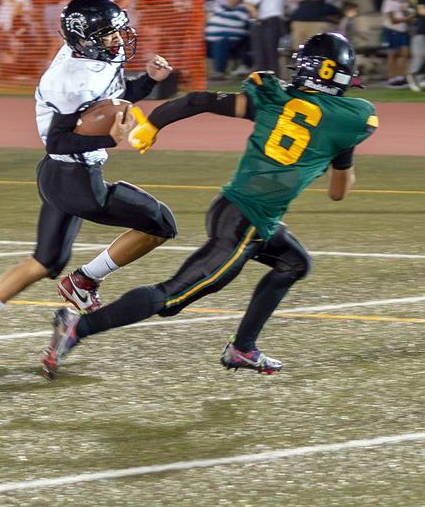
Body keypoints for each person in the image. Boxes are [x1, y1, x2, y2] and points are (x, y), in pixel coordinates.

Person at [42, 32, 378, 379]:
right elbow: (339, 191)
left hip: (235, 211)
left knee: (293, 263)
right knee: (170, 299)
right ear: (334, 73)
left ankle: (242, 348)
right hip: (245, 223)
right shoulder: (354, 118)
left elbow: (197, 101)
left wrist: (153, 124)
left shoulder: (273, 97)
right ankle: (76, 328)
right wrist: (341, 154)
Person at [0, 0, 177, 358]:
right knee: (161, 223)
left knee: (45, 261)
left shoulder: (91, 57)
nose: (118, 39)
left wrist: (148, 80)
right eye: (109, 33)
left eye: (117, 30)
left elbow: (113, 95)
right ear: (85, 39)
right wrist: (109, 139)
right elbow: (60, 138)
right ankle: (84, 281)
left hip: (56, 174)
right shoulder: (71, 78)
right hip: (76, 180)